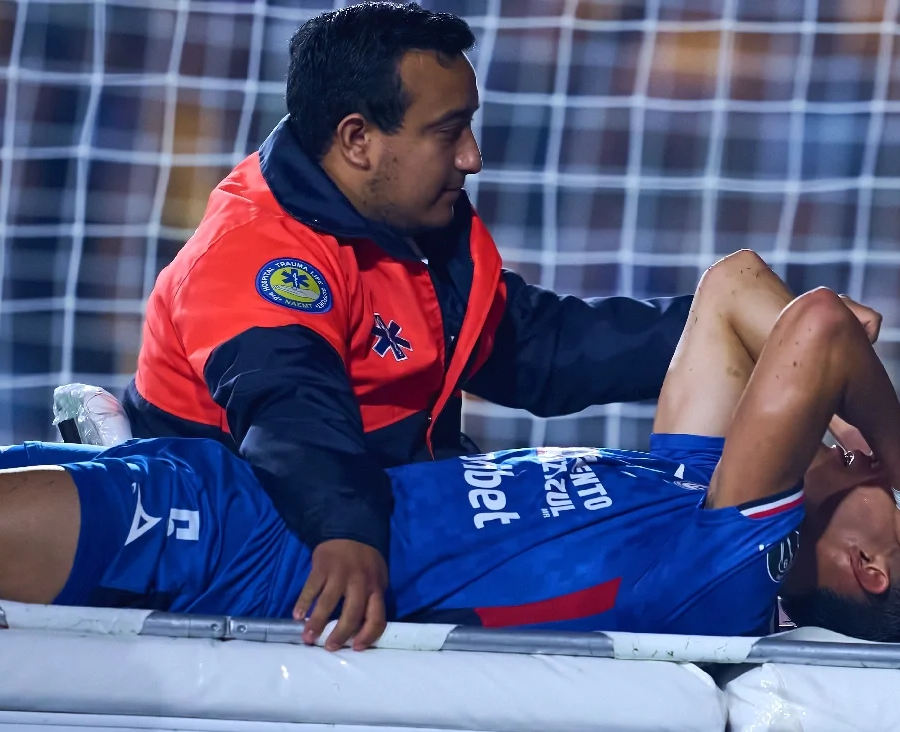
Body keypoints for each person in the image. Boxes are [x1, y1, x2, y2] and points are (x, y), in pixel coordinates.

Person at [0, 252, 900, 646]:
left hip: (242, 557)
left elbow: (820, 331)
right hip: (241, 484)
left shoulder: (725, 574)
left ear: (868, 566)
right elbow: (736, 287)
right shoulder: (692, 488)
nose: (871, 468)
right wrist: (854, 418)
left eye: (889, 511)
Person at [120, 1, 697, 650]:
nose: (472, 157)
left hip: (396, 515)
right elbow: (291, 410)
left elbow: (539, 349)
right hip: (269, 555)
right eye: (449, 132)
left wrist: (712, 332)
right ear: (357, 139)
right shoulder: (257, 253)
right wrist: (346, 532)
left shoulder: (413, 231)